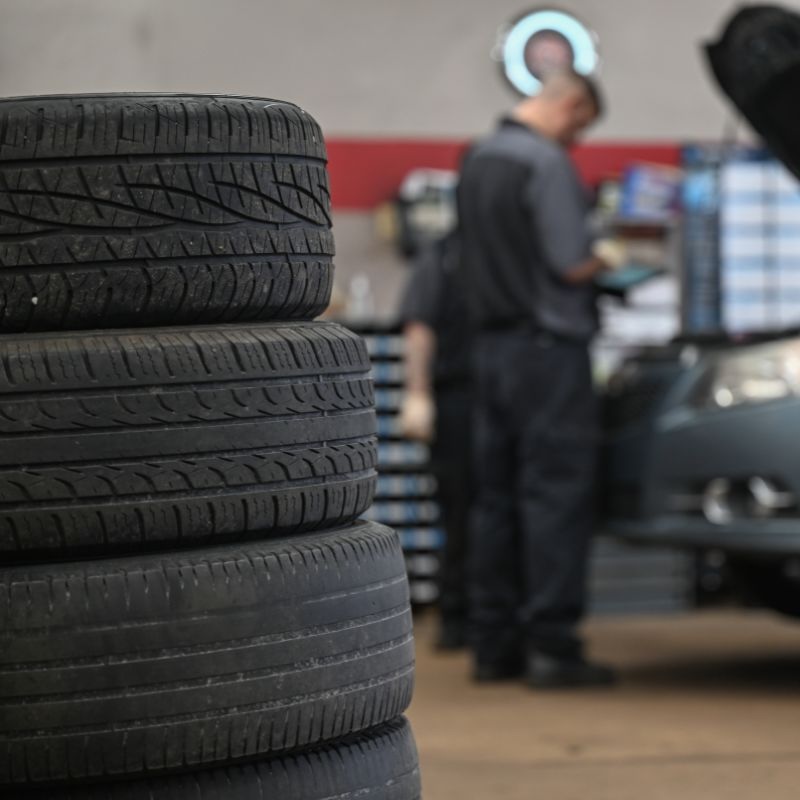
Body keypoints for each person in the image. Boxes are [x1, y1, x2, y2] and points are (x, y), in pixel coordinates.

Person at [457, 70, 626, 687]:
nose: (577, 139)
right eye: (581, 126)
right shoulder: (545, 164)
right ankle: (553, 647)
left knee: (494, 499)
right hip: (549, 354)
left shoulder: (475, 160)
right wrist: (608, 258)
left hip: (491, 353)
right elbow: (568, 262)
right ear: (570, 105)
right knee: (555, 496)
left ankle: (493, 645)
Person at [399, 230, 472, 649]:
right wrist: (418, 392)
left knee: (490, 514)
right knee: (459, 509)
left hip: (499, 397)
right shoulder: (444, 253)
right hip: (456, 397)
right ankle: (457, 617)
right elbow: (419, 328)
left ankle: (486, 617)